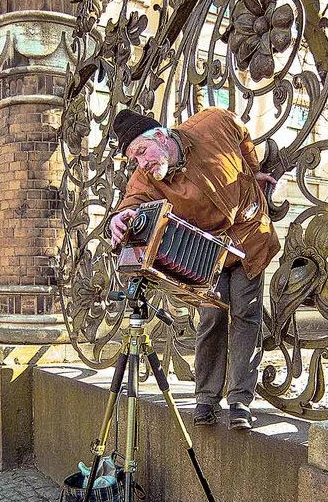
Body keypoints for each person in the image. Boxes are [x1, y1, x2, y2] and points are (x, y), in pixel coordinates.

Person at [110, 107, 280, 430]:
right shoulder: (146, 176)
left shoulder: (212, 123)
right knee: (212, 316)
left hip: (249, 235)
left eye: (142, 152)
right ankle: (206, 397)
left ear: (160, 137)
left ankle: (241, 400)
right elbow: (129, 203)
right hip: (207, 254)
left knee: (247, 313)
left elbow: (243, 138)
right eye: (135, 158)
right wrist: (118, 219)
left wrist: (252, 170)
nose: (142, 163)